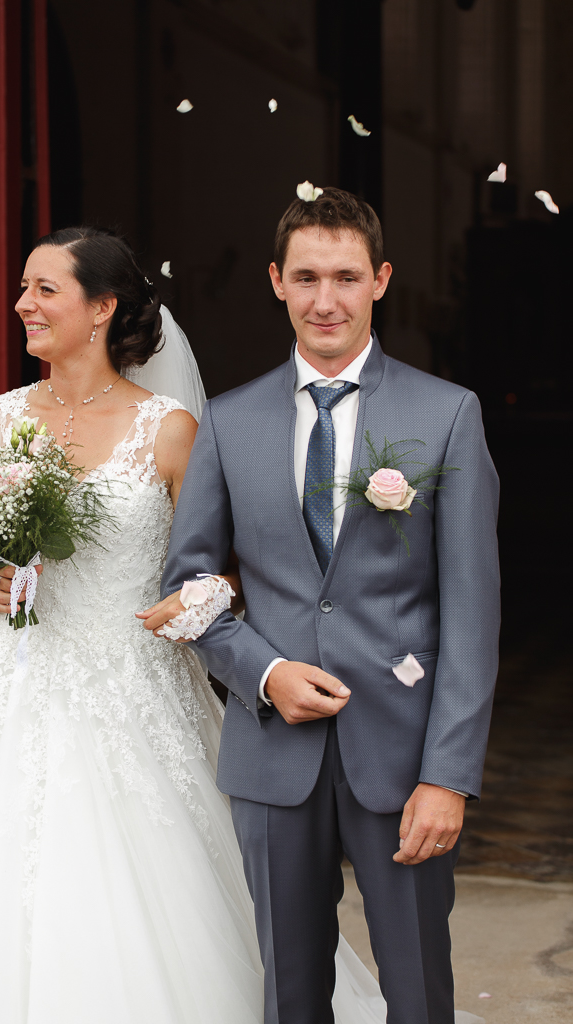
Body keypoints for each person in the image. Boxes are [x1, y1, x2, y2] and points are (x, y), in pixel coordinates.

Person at [0, 227, 267, 1023]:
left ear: (101, 308)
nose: (24, 303)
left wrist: (199, 597)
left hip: (137, 684)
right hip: (16, 679)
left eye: (44, 289)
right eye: (24, 288)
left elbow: (226, 569)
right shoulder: (0, 419)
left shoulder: (168, 429)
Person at [158, 188, 500, 1024]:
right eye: (305, 277)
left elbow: (472, 612)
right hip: (273, 754)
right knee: (289, 994)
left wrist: (447, 776)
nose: (325, 300)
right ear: (275, 281)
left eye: (345, 277)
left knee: (417, 991)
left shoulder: (445, 414)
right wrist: (263, 673)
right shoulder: (229, 421)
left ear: (379, 280)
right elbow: (187, 584)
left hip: (403, 756)